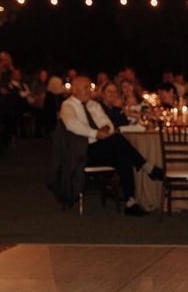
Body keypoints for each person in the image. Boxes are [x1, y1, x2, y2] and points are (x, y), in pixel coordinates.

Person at [59, 76, 163, 216]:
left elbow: (108, 124)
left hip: (103, 147)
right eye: (86, 88)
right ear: (75, 89)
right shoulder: (68, 105)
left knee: (122, 155)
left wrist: (105, 130)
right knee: (119, 142)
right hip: (83, 151)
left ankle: (130, 201)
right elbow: (72, 125)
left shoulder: (93, 105)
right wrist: (96, 133)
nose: (89, 91)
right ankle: (147, 167)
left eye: (89, 88)